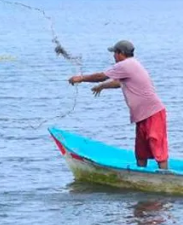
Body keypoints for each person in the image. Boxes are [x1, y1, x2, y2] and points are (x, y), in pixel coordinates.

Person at [68, 40, 169, 170]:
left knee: (158, 147)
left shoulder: (126, 64)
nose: (113, 56)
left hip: (153, 112)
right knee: (141, 151)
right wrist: (102, 87)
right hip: (142, 115)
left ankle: (165, 175)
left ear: (120, 53)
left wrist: (81, 78)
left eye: (114, 53)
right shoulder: (131, 65)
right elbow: (118, 82)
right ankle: (141, 175)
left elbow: (101, 75)